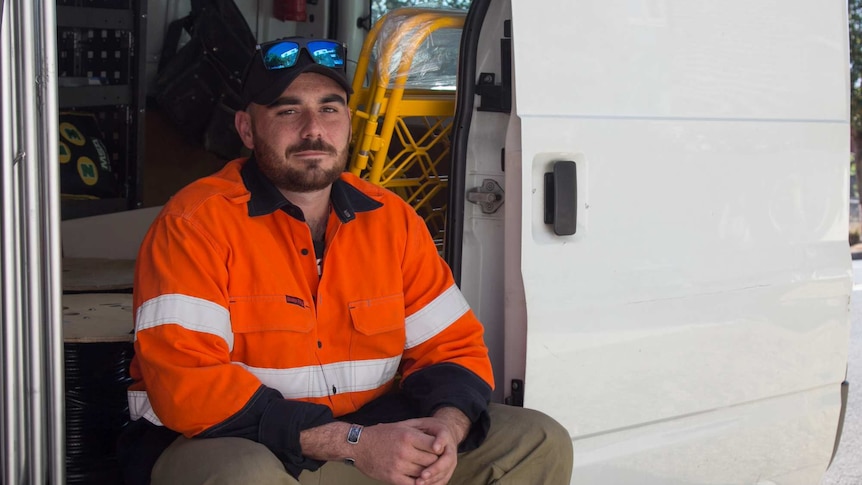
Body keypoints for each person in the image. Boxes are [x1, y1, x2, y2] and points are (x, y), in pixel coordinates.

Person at [118, 37, 573, 485]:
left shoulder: (391, 220)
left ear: (349, 123)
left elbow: (453, 349)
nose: (313, 129)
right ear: (246, 129)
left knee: (536, 441)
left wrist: (446, 429)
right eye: (287, 110)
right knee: (244, 477)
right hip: (241, 443)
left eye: (330, 108)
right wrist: (354, 442)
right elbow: (188, 387)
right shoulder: (195, 224)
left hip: (369, 439)